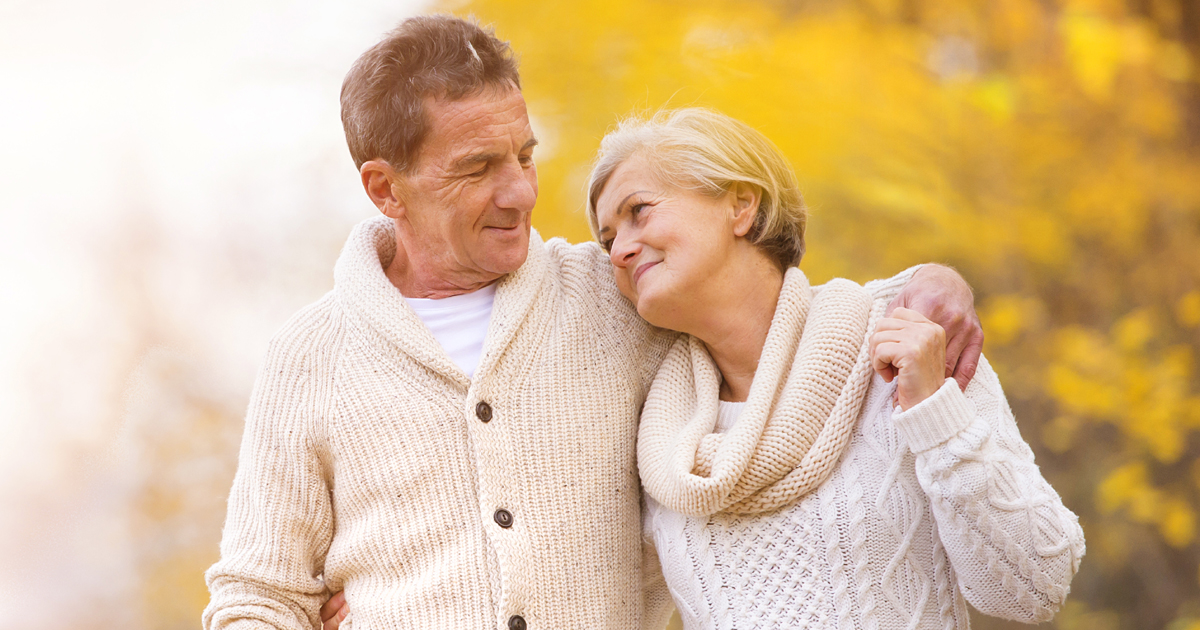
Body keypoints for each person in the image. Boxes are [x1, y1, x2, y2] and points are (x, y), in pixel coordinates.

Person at [204, 16, 984, 630]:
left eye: (524, 155)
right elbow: (255, 594)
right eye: (478, 169)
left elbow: (778, 309)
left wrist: (926, 283)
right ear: (385, 188)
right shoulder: (308, 357)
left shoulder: (613, 294)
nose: (519, 192)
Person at [585, 107, 1085, 629]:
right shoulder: (658, 441)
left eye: (639, 211)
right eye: (607, 239)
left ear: (740, 206)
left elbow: (1036, 588)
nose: (619, 250)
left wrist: (936, 415)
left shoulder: (906, 338)